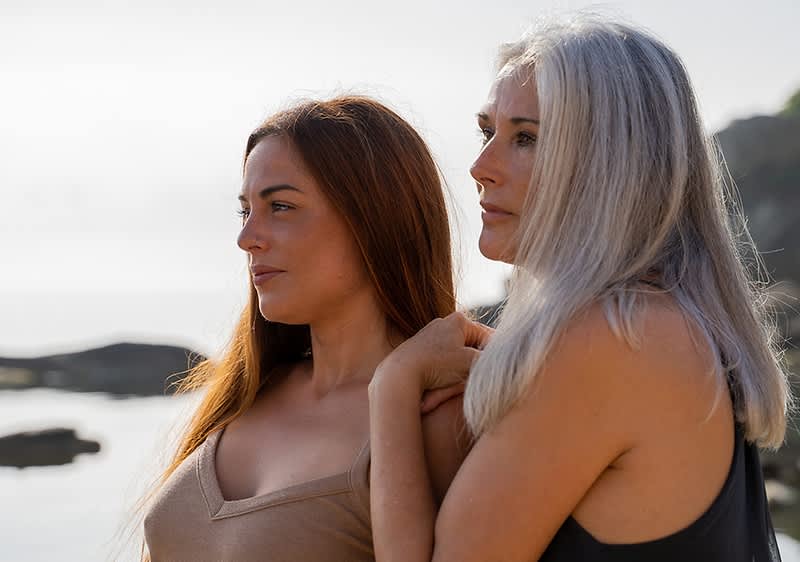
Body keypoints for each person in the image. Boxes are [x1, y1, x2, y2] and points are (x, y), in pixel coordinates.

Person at [368, 15, 789, 562]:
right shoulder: (665, 326)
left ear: (610, 163)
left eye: (527, 138)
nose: (480, 166)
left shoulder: (616, 339)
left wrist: (392, 387)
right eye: (486, 131)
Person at [142, 96, 470, 561]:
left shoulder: (441, 419)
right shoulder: (249, 392)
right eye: (245, 211)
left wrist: (395, 387)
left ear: (373, 220)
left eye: (280, 206)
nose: (247, 237)